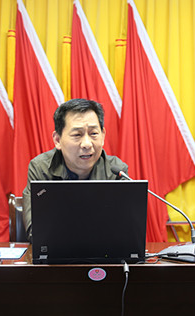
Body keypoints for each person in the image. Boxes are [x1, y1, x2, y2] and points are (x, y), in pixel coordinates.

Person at [22, 98, 128, 240]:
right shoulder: (41, 169)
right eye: (77, 135)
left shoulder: (117, 172)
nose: (87, 144)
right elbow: (36, 232)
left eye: (93, 133)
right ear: (57, 140)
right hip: (57, 253)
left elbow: (124, 232)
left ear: (103, 136)